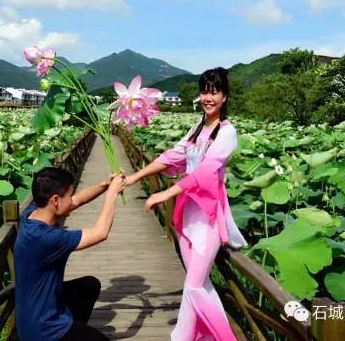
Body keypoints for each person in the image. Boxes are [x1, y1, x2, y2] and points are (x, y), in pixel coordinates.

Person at [125, 68, 248, 340]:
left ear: (225, 96)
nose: (208, 97)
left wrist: (165, 194)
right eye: (205, 91)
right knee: (198, 284)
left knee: (193, 285)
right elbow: (172, 156)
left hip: (209, 217)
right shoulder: (196, 129)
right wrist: (135, 177)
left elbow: (205, 172)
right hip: (187, 215)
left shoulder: (227, 132)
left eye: (214, 92)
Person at [14, 166, 126, 341]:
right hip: (43, 330)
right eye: (69, 194)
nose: (72, 199)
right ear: (56, 200)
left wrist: (105, 186)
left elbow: (76, 201)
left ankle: (74, 330)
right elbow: (100, 232)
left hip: (32, 313)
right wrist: (112, 194)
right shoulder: (46, 238)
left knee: (89, 286)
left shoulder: (32, 213)